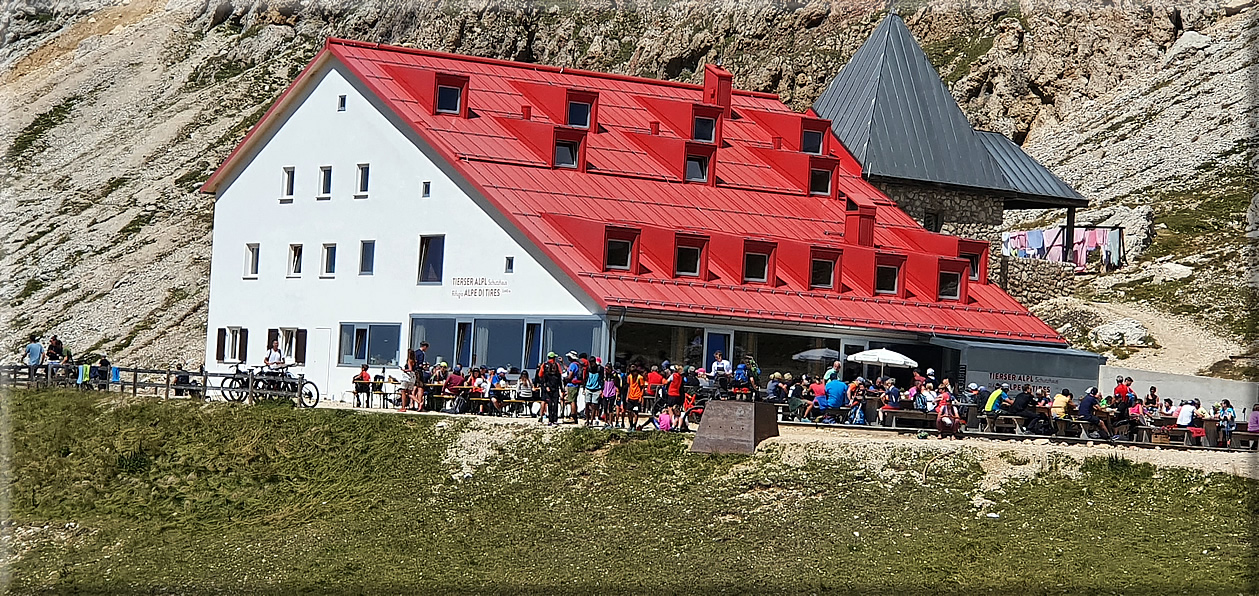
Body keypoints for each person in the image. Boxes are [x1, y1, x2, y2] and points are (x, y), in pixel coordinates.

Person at [540, 352, 563, 425]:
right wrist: (561, 388)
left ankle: (550, 420)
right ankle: (555, 419)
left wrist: (545, 386)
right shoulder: (557, 365)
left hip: (547, 387)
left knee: (549, 403)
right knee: (555, 403)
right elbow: (560, 375)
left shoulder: (544, 365)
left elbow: (540, 375)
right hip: (556, 387)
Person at [564, 351, 585, 423]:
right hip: (576, 384)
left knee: (572, 401)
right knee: (574, 401)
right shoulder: (577, 364)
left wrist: (566, 379)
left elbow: (570, 375)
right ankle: (575, 416)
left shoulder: (572, 365)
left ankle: (573, 416)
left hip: (572, 385)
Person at [624, 365, 647, 430]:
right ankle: (630, 424)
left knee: (636, 412)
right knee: (629, 411)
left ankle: (634, 425)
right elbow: (629, 386)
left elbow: (642, 388)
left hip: (637, 397)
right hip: (631, 396)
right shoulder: (629, 377)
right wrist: (627, 396)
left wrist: (640, 397)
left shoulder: (640, 378)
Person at [584, 358, 604, 426]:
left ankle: (591, 421)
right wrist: (584, 387)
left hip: (597, 389)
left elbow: (602, 379)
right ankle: (587, 419)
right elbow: (586, 378)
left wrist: (602, 389)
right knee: (587, 404)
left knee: (594, 405)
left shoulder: (600, 369)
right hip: (588, 387)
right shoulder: (588, 368)